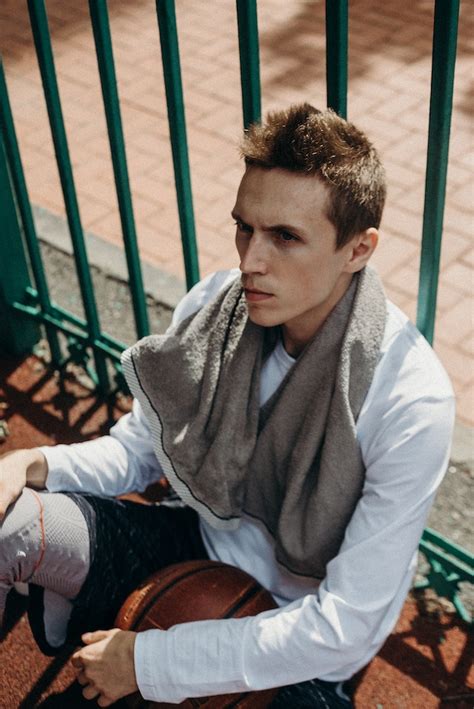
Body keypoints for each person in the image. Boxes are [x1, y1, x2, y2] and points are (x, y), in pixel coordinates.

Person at [0, 104, 454, 708]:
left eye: (286, 237)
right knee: (6, 525)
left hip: (300, 639)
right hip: (196, 548)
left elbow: (342, 624)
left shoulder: (410, 401)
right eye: (245, 228)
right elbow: (137, 452)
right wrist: (29, 463)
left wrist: (151, 662)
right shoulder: (217, 307)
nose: (250, 262)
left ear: (357, 249)